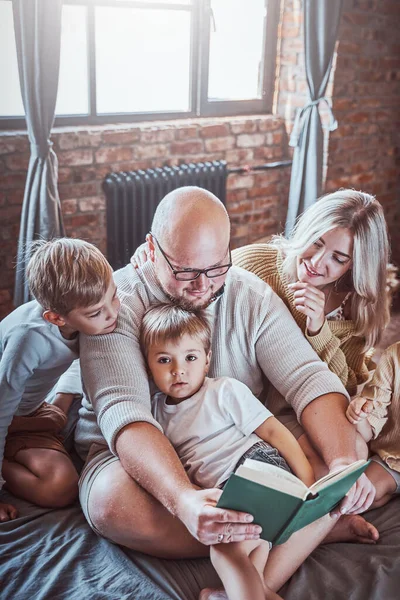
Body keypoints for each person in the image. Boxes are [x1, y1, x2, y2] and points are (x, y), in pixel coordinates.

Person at [75, 185, 377, 588]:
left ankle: (292, 527)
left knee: (349, 446)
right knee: (109, 504)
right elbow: (125, 415)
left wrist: (340, 464)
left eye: (216, 268)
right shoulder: (115, 304)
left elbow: (307, 377)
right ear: (150, 248)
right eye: (186, 272)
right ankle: (303, 527)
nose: (203, 286)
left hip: (235, 450)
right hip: (141, 465)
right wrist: (183, 500)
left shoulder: (247, 290)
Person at [140, 302, 318, 600]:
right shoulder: (154, 413)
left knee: (224, 551)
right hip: (222, 489)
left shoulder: (223, 390)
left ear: (207, 360)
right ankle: (233, 594)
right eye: (163, 360)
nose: (178, 369)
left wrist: (308, 481)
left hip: (255, 468)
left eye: (190, 357)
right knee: (252, 551)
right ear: (147, 365)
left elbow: (274, 432)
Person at [232, 189, 392, 474]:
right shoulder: (258, 262)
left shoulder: (359, 306)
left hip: (297, 410)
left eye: (338, 258)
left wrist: (319, 328)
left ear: (356, 264)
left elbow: (345, 386)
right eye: (315, 243)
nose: (317, 262)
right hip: (245, 398)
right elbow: (204, 277)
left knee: (355, 452)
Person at [0, 238, 120, 522]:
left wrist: (60, 404)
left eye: (113, 296)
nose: (112, 313)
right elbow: (1, 409)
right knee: (62, 488)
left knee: (70, 428)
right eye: (95, 312)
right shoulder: (28, 339)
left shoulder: (89, 320)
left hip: (31, 410)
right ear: (56, 318)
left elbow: (81, 356)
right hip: (7, 412)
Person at [346, 342, 400, 510]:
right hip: (394, 459)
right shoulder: (394, 356)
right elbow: (370, 425)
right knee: (359, 495)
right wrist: (360, 412)